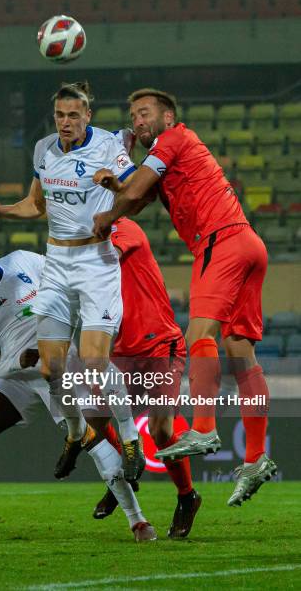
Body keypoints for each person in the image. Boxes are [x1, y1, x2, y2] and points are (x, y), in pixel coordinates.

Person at [92, 88, 277, 507]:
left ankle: (205, 427)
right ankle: (255, 457)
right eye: (133, 117)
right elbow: (137, 199)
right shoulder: (169, 157)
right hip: (248, 242)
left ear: (168, 115)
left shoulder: (173, 139)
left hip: (221, 242)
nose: (138, 122)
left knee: (198, 335)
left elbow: (133, 196)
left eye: (144, 114)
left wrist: (107, 212)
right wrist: (116, 182)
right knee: (241, 351)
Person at [0, 219, 156, 543]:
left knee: (92, 440)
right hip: (17, 375)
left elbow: (65, 282)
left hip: (60, 366)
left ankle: (137, 520)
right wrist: (13, 362)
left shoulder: (22, 260)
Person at [0, 82, 146, 483]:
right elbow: (36, 205)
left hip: (96, 263)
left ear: (88, 115)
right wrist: (2, 211)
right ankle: (75, 435)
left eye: (74, 115)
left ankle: (129, 438)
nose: (66, 122)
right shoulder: (44, 149)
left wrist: (114, 185)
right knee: (52, 369)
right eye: (60, 115)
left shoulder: (107, 146)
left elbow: (135, 192)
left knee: (92, 362)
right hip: (56, 262)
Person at [90, 216, 201, 538]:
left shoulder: (124, 227)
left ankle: (187, 496)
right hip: (122, 350)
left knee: (161, 428)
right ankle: (125, 471)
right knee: (94, 418)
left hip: (159, 343)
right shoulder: (83, 236)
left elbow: (101, 257)